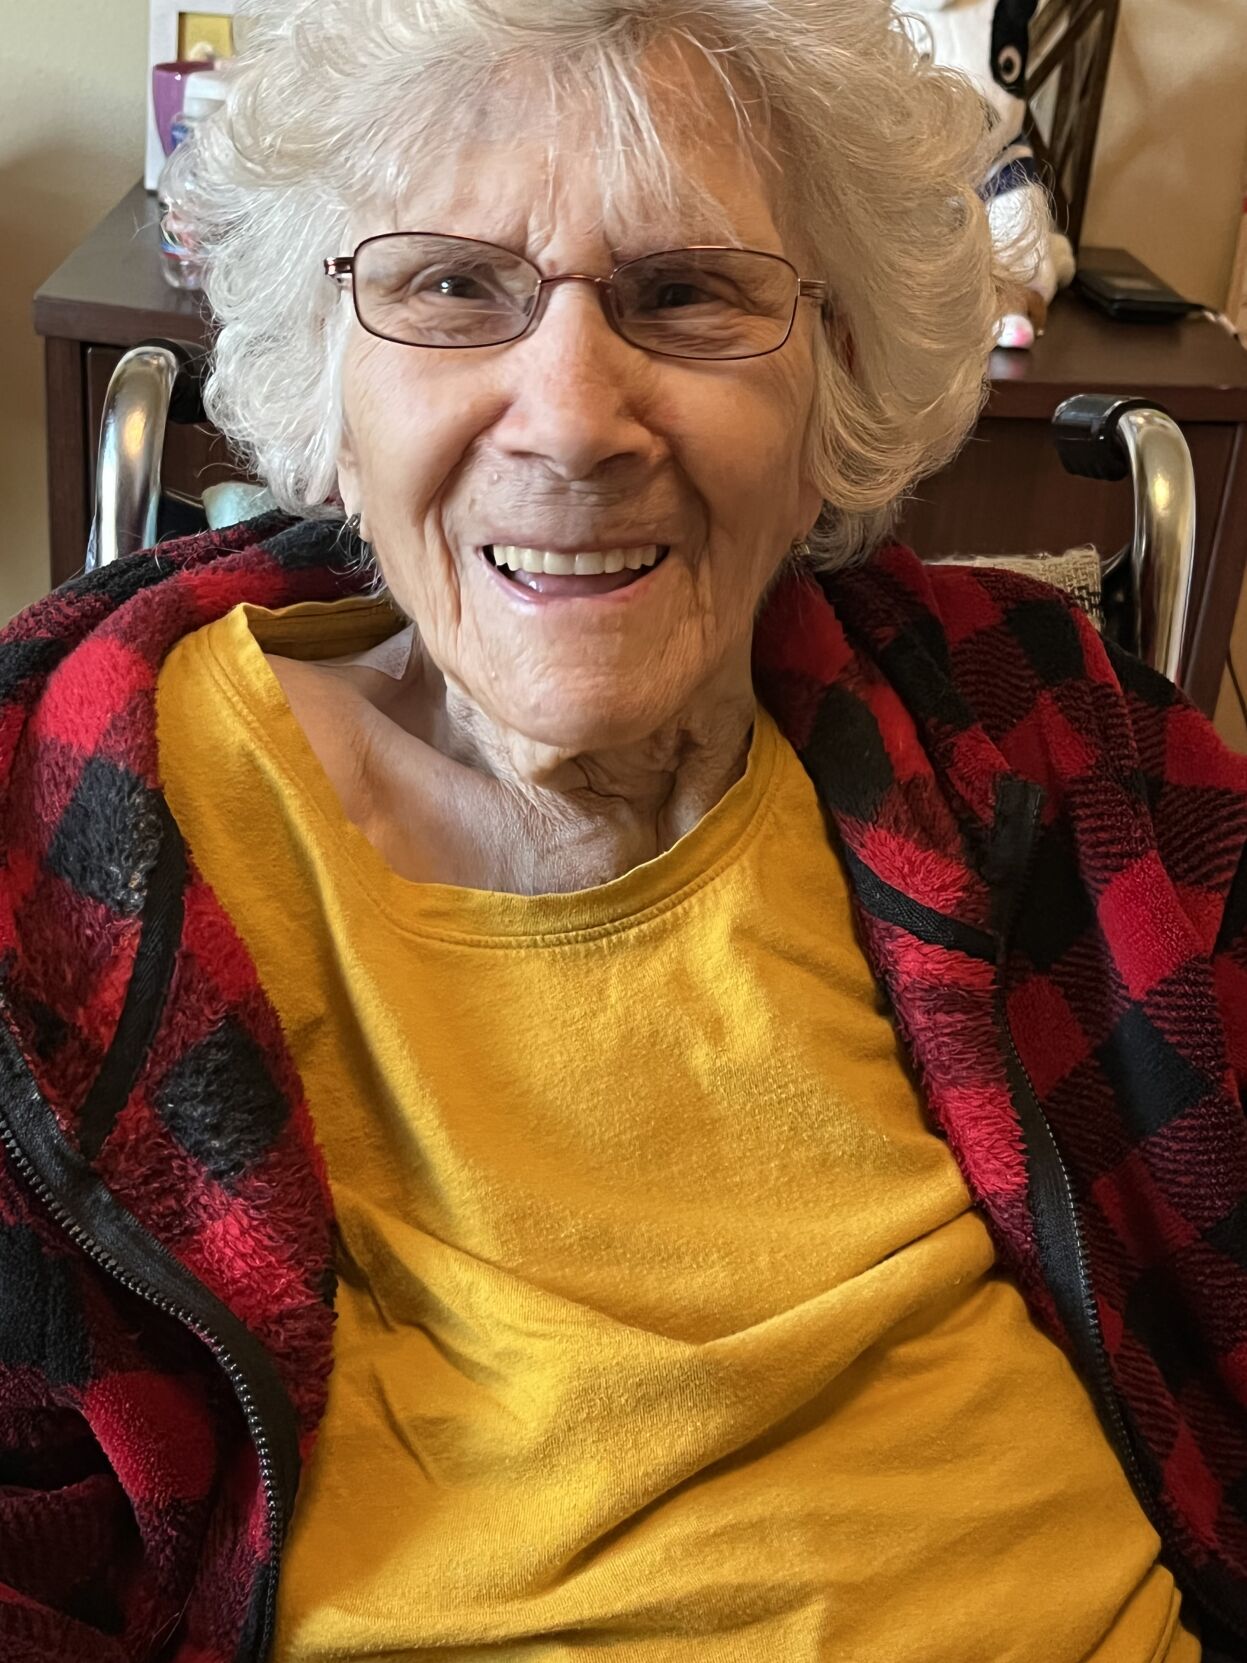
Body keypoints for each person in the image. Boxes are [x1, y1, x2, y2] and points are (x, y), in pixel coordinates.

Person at [1, 2, 1245, 1659]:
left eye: (687, 294)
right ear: (328, 376)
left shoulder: (1040, 738)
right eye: (455, 287)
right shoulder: (60, 852)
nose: (574, 418)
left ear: (838, 378)